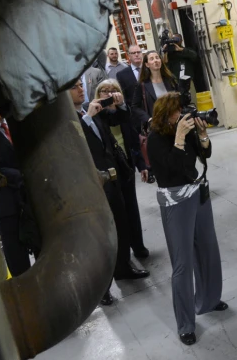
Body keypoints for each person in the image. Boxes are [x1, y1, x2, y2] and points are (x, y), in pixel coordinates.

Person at [147, 92, 228, 346]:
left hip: (197, 193)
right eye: (174, 112)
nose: (179, 115)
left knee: (208, 248)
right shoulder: (155, 139)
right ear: (164, 115)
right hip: (175, 201)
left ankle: (210, 300)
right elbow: (172, 167)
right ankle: (185, 324)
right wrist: (180, 136)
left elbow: (204, 156)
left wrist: (202, 135)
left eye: (181, 110)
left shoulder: (187, 128)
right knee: (182, 263)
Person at [69, 79, 149, 307]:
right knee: (100, 236)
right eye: (75, 87)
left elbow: (119, 119)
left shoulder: (89, 108)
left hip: (111, 177)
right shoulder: (72, 118)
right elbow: (74, 143)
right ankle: (102, 288)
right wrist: (88, 118)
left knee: (121, 223)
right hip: (91, 182)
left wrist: (121, 105)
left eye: (80, 85)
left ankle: (123, 268)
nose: (80, 89)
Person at [94, 79, 149, 259]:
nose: (109, 94)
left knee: (132, 208)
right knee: (118, 211)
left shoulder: (125, 112)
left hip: (126, 165)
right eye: (104, 91)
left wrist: (142, 165)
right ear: (98, 94)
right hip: (109, 170)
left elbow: (134, 140)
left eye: (113, 90)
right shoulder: (95, 114)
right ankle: (122, 253)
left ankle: (138, 245)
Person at [0, 108, 31, 277]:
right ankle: (24, 288)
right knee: (16, 251)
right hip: (6, 201)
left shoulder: (15, 122)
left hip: (28, 195)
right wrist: (22, 175)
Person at [131, 50, 179, 133]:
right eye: (152, 59)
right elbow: (135, 107)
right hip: (157, 126)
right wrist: (148, 119)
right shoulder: (142, 84)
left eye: (157, 58)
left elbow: (179, 98)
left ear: (161, 61)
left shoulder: (170, 79)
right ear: (147, 64)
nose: (155, 60)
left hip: (175, 123)